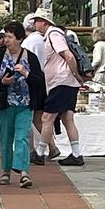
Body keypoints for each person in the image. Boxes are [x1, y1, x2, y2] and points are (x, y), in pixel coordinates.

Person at [0, 21, 46, 188]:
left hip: (24, 104)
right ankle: (5, 171)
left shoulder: (30, 57)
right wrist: (2, 82)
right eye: (5, 36)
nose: (6, 40)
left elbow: (39, 82)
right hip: (4, 104)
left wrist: (26, 73)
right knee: (6, 139)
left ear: (19, 39)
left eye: (10, 37)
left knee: (22, 138)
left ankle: (23, 172)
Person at [30, 8, 85, 166]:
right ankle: (76, 154)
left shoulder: (54, 34)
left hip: (61, 81)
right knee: (67, 118)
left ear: (45, 22)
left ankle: (40, 153)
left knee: (47, 117)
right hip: (65, 82)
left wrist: (75, 74)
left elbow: (68, 55)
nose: (35, 24)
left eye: (37, 21)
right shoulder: (53, 35)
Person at [22, 13, 59, 163]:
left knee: (27, 117)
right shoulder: (46, 39)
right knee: (39, 118)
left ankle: (32, 150)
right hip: (46, 81)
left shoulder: (29, 42)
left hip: (32, 82)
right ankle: (52, 146)